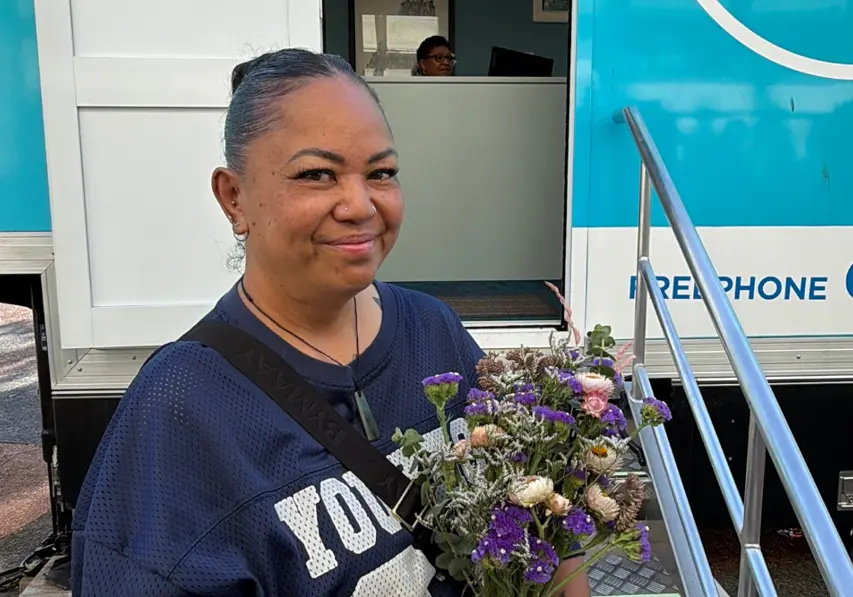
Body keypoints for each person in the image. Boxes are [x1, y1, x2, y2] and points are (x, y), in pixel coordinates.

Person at [69, 48, 589, 596]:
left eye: (381, 172)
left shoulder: (433, 331)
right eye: (317, 174)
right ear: (234, 197)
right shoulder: (179, 410)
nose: (360, 204)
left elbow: (542, 523)